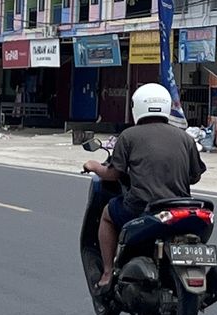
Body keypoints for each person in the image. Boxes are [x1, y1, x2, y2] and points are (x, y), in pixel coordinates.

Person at [82, 83, 205, 292]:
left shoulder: (129, 136)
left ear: (136, 106)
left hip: (142, 207)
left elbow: (114, 174)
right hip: (180, 206)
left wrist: (93, 165)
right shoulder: (186, 138)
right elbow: (195, 177)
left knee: (106, 214)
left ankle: (107, 271)